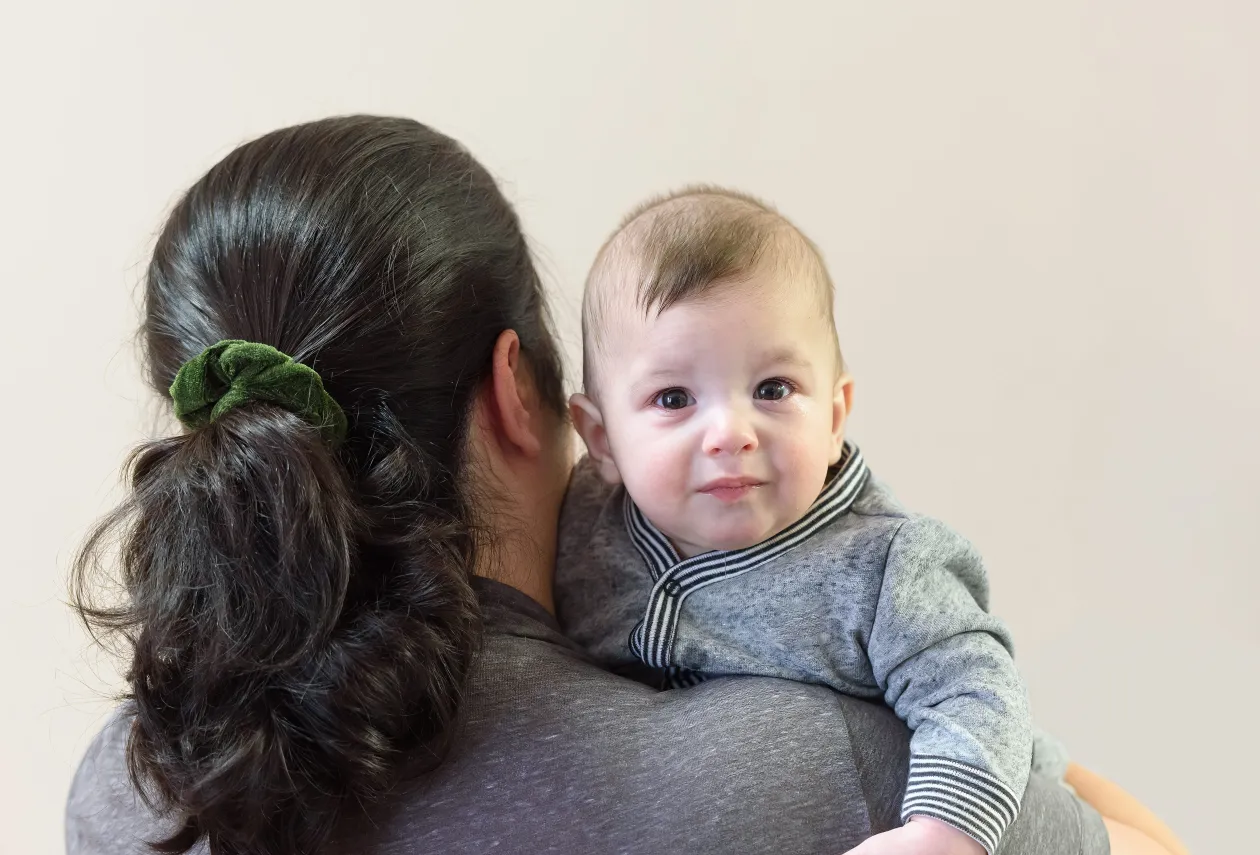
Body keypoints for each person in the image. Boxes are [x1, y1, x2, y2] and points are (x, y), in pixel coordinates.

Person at [66, 115, 1176, 855]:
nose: (724, 436)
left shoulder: (133, 790)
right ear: (522, 391)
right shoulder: (827, 771)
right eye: (671, 399)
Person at [559, 187, 1187, 855]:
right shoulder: (585, 522)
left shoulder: (884, 565)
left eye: (773, 389)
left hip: (991, 788)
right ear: (601, 439)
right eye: (673, 398)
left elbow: (976, 693)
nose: (730, 433)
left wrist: (941, 834)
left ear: (834, 417)